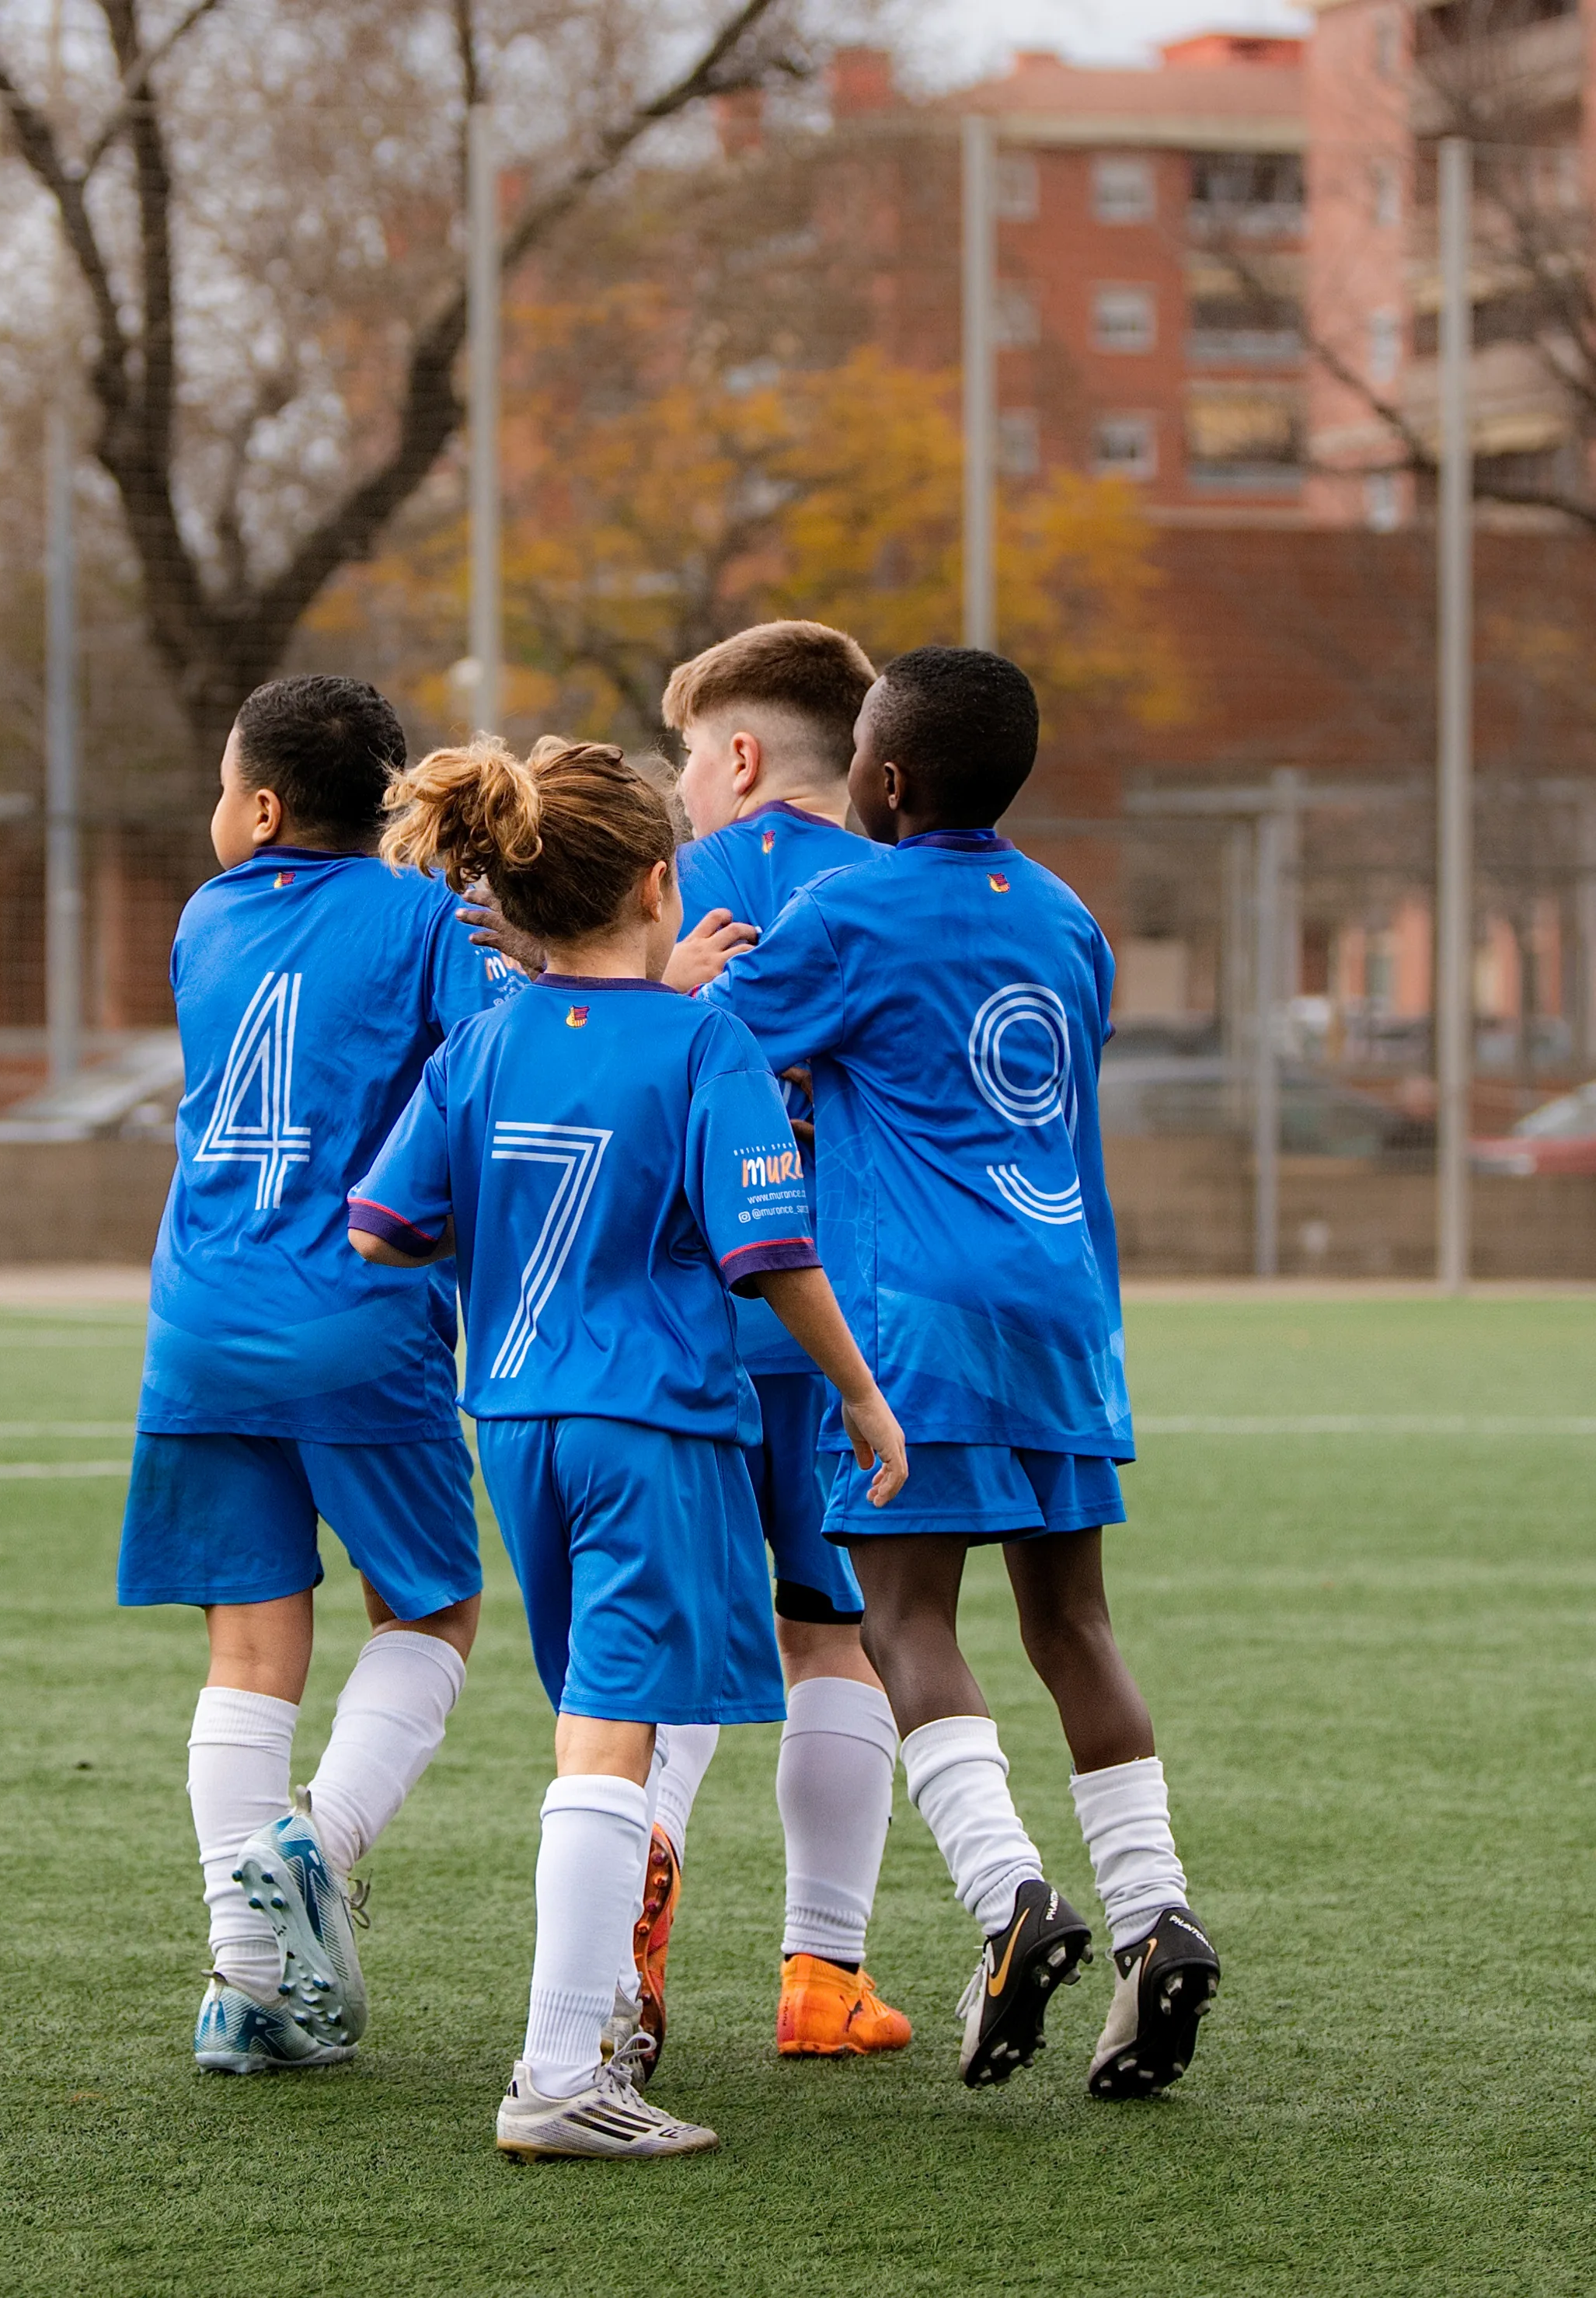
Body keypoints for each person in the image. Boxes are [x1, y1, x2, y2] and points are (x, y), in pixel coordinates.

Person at [349, 735, 907, 2161]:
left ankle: (582, 2040)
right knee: (614, 1734)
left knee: (602, 1717)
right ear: (662, 883)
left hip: (517, 1421)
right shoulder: (705, 1037)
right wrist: (855, 1393)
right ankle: (558, 2070)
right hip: (649, 1423)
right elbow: (771, 1249)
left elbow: (385, 1225)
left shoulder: (481, 1040)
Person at [699, 646, 1221, 2100]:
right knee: (1076, 1629)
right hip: (1064, 1310)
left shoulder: (845, 907)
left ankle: (1006, 1901)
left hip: (913, 1314)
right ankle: (1154, 1919)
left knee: (903, 1623)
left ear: (884, 778)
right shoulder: (1067, 920)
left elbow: (711, 1054)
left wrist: (683, 988)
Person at [116, 674, 517, 2076]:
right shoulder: (428, 920)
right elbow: (494, 1067)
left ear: (265, 807)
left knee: (247, 1649)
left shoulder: (204, 920)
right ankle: (320, 1844)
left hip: (201, 1320)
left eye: (224, 784)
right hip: (359, 1312)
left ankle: (246, 1992)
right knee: (434, 1609)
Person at [637, 621, 910, 2068]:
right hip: (839, 1337)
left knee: (664, 1653)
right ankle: (823, 1973)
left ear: (738, 757)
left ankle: (640, 1910)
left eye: (688, 755)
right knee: (834, 1643)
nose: (680, 785)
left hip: (678, 1328)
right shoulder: (903, 888)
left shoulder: (655, 889)